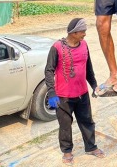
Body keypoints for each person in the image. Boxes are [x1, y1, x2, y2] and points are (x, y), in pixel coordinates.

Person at [45, 18, 105, 165]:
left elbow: (88, 67)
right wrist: (52, 92)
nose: (85, 34)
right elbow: (49, 70)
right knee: (65, 125)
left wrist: (94, 85)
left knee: (87, 121)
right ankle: (67, 152)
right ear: (73, 32)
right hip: (63, 97)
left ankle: (91, 147)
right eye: (82, 31)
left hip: (82, 93)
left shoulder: (84, 45)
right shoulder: (57, 47)